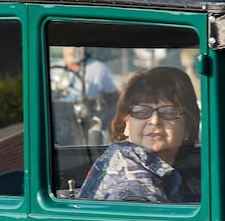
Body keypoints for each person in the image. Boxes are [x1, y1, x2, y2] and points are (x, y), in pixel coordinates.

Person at [76, 66, 200, 203]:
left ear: (188, 126)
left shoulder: (177, 172)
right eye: (141, 111)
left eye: (168, 112)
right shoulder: (129, 173)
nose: (155, 121)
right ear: (126, 124)